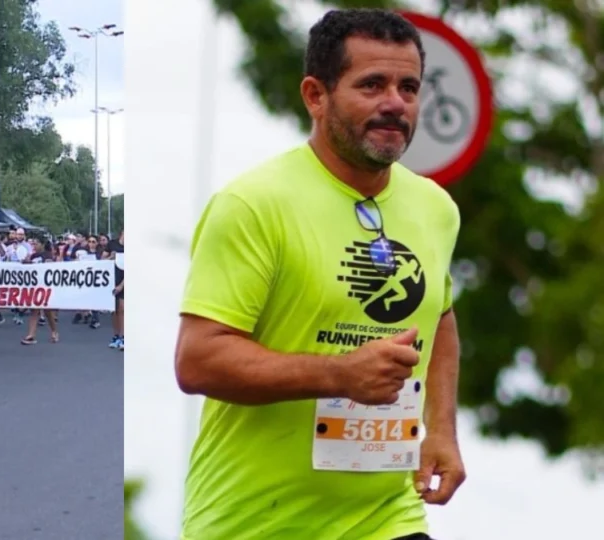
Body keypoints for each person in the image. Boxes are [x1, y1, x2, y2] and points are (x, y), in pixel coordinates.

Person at [174, 9, 464, 540]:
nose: (394, 104)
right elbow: (197, 360)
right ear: (316, 95)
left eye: (408, 87)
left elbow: (440, 317)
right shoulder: (253, 204)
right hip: (254, 523)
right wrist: (340, 374)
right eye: (371, 84)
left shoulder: (436, 209)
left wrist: (441, 428)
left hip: (387, 519)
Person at [106, 230, 124, 350]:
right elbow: (103, 261)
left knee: (122, 309)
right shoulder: (112, 244)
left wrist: (122, 285)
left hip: (124, 281)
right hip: (112, 279)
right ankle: (116, 336)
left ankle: (123, 337)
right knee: (114, 310)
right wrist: (110, 257)